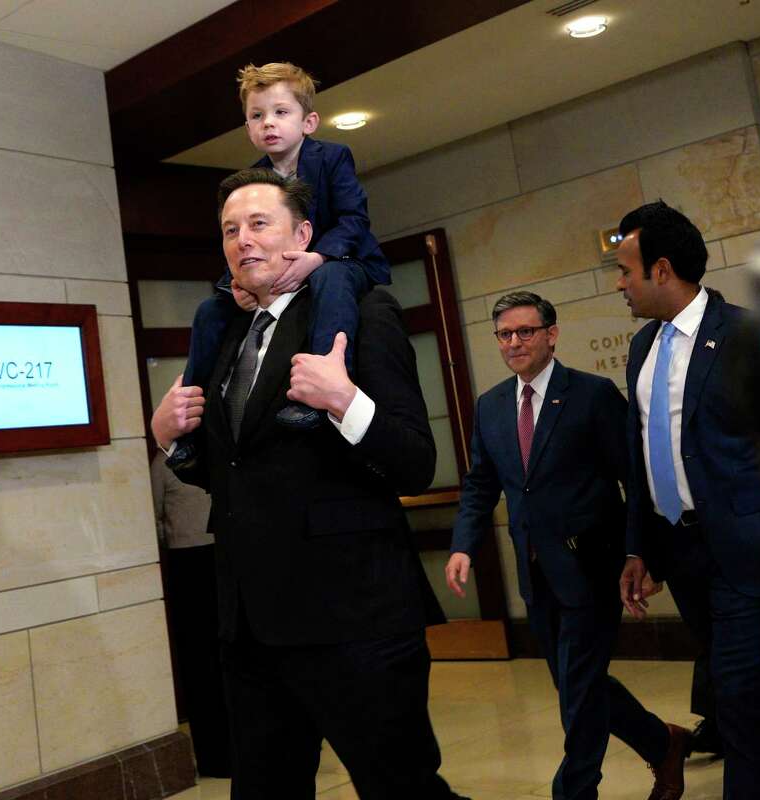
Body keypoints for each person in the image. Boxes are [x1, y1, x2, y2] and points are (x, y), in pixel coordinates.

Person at [152, 168, 465, 800]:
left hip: (355, 620)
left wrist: (346, 400)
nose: (243, 241)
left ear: (303, 233)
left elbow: (414, 460)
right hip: (252, 627)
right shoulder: (226, 332)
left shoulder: (363, 312)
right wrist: (169, 440)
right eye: (230, 230)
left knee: (401, 787)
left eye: (259, 224)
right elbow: (233, 472)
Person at [614, 202, 760, 799]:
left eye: (626, 270)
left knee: (735, 696)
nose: (619, 283)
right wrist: (639, 549)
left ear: (662, 270)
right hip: (682, 555)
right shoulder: (641, 349)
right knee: (749, 687)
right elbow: (640, 459)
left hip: (747, 549)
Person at [445, 291, 690, 800]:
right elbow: (481, 485)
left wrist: (637, 552)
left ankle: (575, 791)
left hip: (591, 567)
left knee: (578, 689)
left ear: (551, 334)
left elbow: (634, 479)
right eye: (505, 334)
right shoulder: (491, 407)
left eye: (525, 331)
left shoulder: (592, 395)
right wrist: (464, 544)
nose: (514, 342)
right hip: (535, 574)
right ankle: (661, 741)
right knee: (577, 684)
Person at [168, 62, 390, 469]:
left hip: (342, 260)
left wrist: (317, 256)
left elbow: (354, 220)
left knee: (330, 277)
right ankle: (191, 425)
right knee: (210, 309)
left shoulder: (333, 157)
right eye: (257, 116)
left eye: (280, 112)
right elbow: (246, 239)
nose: (268, 123)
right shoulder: (254, 179)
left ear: (309, 121)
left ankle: (321, 393)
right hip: (287, 269)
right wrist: (232, 285)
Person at [150, 451, 230, 777]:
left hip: (225, 557)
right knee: (202, 663)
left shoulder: (216, 454)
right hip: (187, 566)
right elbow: (152, 517)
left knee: (235, 660)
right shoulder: (162, 464)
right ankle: (216, 757)